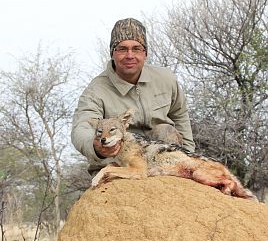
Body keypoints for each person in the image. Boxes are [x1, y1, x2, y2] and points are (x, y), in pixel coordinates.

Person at [71, 17, 195, 175]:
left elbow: (180, 115)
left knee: (165, 131)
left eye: (136, 48)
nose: (130, 55)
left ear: (145, 53)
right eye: (122, 49)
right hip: (119, 163)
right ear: (112, 53)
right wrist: (96, 146)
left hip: (158, 158)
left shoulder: (166, 79)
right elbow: (81, 128)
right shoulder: (95, 90)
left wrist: (190, 156)